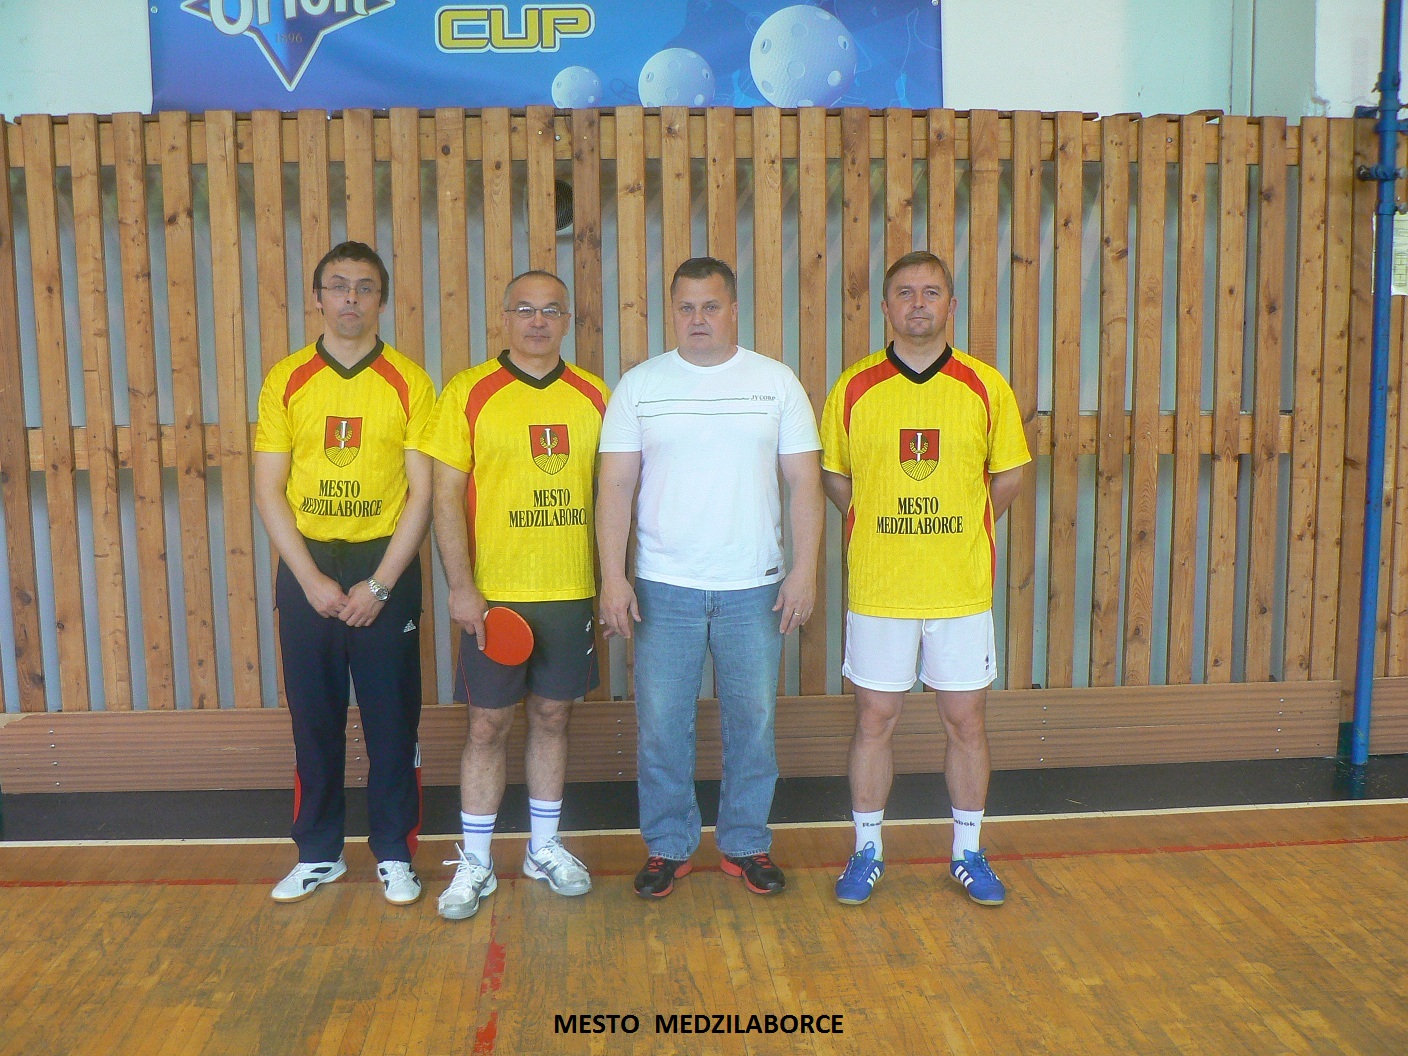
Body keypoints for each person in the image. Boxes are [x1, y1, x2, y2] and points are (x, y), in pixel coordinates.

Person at [597, 256, 824, 899]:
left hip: (754, 587)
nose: (698, 318)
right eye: (686, 307)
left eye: (711, 306)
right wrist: (613, 577)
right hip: (662, 587)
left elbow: (805, 482)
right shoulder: (640, 386)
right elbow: (615, 486)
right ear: (672, 313)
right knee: (661, 726)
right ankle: (667, 847)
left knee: (753, 723)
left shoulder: (775, 383)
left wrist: (804, 571)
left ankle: (746, 843)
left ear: (734, 310)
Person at [820, 250, 1031, 907]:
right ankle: (866, 851)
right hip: (881, 589)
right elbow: (835, 477)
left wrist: (965, 526)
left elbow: (1010, 474)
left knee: (965, 720)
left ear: (951, 306)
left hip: (958, 589)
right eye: (905, 293)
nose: (918, 303)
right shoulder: (854, 388)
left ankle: (968, 852)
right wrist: (879, 523)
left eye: (931, 292)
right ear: (885, 307)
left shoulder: (985, 386)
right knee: (874, 718)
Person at [423, 271, 610, 921]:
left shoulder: (595, 396)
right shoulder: (468, 393)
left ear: (567, 321)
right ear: (504, 318)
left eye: (551, 310)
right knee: (487, 724)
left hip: (569, 590)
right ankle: (476, 860)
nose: (537, 321)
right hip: (495, 596)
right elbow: (445, 495)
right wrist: (461, 586)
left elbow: (615, 496)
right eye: (525, 309)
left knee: (554, 717)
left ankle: (543, 848)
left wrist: (613, 582)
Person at [254, 241, 434, 907]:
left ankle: (395, 853)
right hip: (309, 567)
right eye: (338, 285)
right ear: (318, 297)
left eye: (364, 286)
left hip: (385, 564)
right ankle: (318, 854)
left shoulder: (410, 381)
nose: (351, 298)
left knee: (393, 721)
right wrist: (307, 579)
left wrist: (381, 584)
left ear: (381, 299)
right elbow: (269, 489)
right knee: (314, 718)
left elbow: (422, 493)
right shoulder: (287, 379)